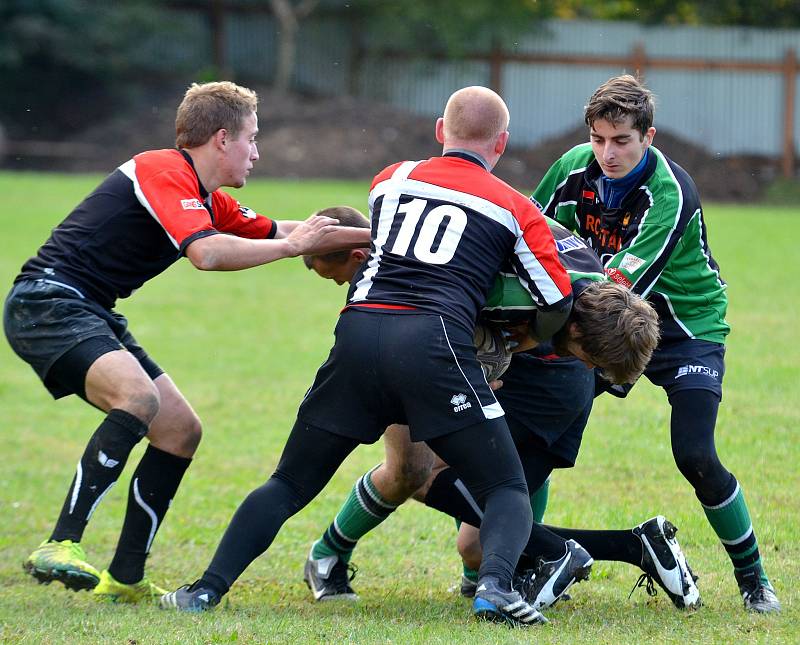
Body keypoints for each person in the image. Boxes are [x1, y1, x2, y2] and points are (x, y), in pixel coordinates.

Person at [159, 85, 575, 627]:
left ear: (438, 132)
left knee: (288, 483)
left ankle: (205, 590)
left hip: (358, 333)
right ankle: (495, 591)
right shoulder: (515, 206)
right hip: (434, 344)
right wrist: (522, 339)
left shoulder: (391, 178)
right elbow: (556, 298)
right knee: (505, 486)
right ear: (502, 143)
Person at [3, 81, 370, 604]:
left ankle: (125, 578)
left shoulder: (206, 198)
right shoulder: (162, 170)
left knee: (178, 430)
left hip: (90, 309)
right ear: (222, 139)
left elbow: (283, 229)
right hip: (47, 302)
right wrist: (294, 247)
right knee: (139, 399)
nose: (258, 152)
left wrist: (383, 234)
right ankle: (60, 542)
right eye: (252, 139)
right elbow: (209, 254)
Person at [302, 209, 699, 614]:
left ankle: (330, 554)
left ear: (356, 255)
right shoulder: (490, 225)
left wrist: (468, 371)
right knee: (475, 541)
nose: (341, 284)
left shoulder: (440, 260)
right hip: (556, 372)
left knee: (417, 473)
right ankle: (567, 558)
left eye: (335, 276)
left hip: (535, 371)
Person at [530, 74, 780, 614]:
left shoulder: (670, 192)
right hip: (603, 321)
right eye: (598, 139)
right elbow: (526, 235)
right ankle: (526, 558)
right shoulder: (572, 170)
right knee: (540, 432)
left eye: (621, 140)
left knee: (694, 454)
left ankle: (754, 578)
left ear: (649, 137)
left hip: (682, 328)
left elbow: (618, 290)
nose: (607, 153)